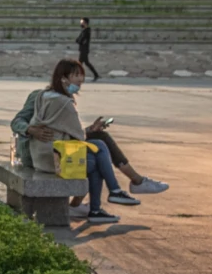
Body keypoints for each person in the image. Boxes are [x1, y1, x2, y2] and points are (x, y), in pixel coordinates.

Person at [27, 59, 138, 224]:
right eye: (76, 75)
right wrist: (90, 130)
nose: (81, 80)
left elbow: (63, 129)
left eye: (82, 75)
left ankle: (104, 201)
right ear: (63, 78)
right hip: (55, 162)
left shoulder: (44, 95)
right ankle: (106, 199)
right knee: (99, 154)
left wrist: (90, 129)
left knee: (98, 149)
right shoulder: (64, 103)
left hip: (41, 157)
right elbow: (79, 136)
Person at [11, 89, 169, 196]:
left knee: (100, 138)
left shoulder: (66, 100)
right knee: (98, 152)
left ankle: (131, 184)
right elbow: (16, 122)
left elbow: (66, 134)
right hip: (37, 155)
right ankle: (133, 183)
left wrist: (89, 130)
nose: (77, 86)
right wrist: (30, 129)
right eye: (75, 80)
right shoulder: (40, 96)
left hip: (59, 147)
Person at [75, 17, 99, 82]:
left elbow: (80, 40)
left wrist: (79, 41)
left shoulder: (86, 31)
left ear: (85, 23)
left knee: (80, 64)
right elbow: (78, 39)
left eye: (82, 22)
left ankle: (78, 76)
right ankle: (95, 75)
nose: (81, 24)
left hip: (84, 50)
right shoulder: (84, 31)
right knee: (84, 63)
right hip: (83, 49)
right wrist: (78, 40)